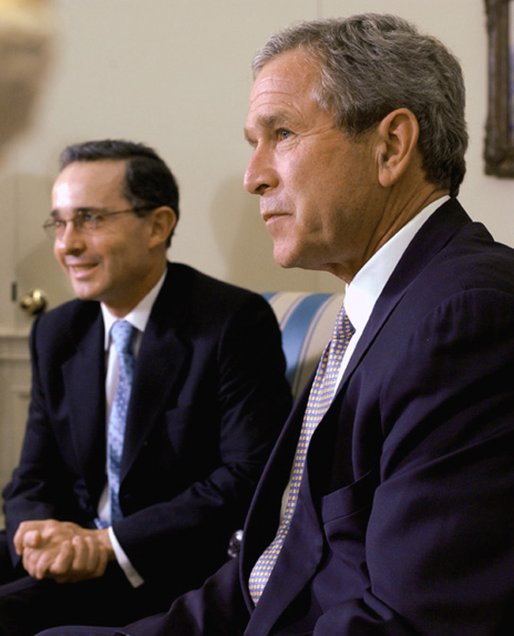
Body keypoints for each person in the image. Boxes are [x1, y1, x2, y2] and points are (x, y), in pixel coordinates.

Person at [39, 12, 514, 636]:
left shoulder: (467, 315)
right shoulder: (379, 308)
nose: (252, 176)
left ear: (392, 146)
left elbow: (408, 619)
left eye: (281, 133)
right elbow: (270, 577)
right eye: (251, 143)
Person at [0, 138, 292, 634]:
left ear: (158, 225)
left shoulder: (230, 323)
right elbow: (32, 475)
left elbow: (249, 477)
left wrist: (106, 544)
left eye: (89, 219)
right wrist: (33, 530)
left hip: (161, 565)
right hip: (70, 552)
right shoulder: (59, 332)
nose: (66, 244)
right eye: (60, 222)